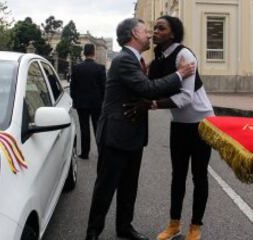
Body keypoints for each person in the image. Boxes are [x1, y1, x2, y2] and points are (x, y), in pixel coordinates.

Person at [84, 18, 196, 240]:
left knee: (129, 187)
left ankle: (124, 227)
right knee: (105, 188)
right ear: (134, 34)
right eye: (146, 31)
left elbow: (142, 89)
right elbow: (147, 88)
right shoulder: (124, 60)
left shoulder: (136, 61)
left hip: (133, 135)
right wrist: (180, 74)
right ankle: (93, 232)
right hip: (116, 136)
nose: (150, 34)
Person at [124, 16, 214, 240]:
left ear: (173, 34)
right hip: (180, 124)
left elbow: (185, 98)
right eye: (154, 28)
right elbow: (152, 87)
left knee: (199, 176)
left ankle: (196, 227)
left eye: (161, 28)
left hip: (201, 123)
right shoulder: (160, 57)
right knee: (178, 176)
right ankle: (174, 225)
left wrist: (152, 105)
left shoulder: (184, 55)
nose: (155, 31)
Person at [70, 44, 106, 159]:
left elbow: (72, 87)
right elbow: (104, 87)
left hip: (81, 103)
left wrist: (75, 101)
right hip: (97, 103)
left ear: (84, 53)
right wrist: (103, 102)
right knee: (97, 128)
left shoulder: (76, 68)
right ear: (94, 53)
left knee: (84, 128)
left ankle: (85, 153)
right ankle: (101, 152)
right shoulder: (100, 68)